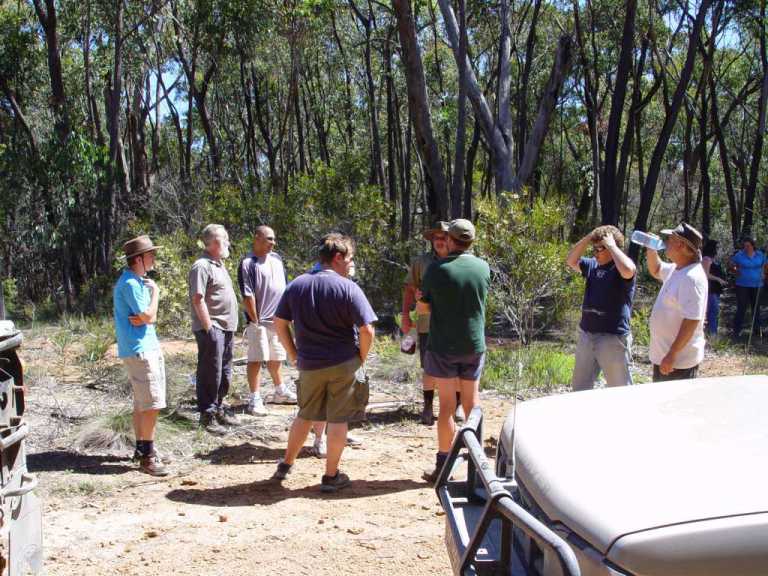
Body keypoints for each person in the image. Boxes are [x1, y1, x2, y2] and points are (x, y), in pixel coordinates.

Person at [272, 233, 377, 493]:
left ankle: (285, 465)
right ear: (338, 257)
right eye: (349, 259)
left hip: (309, 364)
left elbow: (279, 323)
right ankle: (331, 476)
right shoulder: (348, 287)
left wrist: (294, 353)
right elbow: (367, 329)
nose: (351, 264)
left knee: (305, 414)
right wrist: (361, 357)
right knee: (338, 419)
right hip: (343, 362)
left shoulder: (297, 285)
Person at [419, 219, 490, 483]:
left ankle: (443, 466)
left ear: (450, 239)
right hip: (473, 345)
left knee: (447, 406)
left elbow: (423, 307)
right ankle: (478, 466)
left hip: (443, 347)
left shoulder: (437, 269)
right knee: (472, 404)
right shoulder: (483, 267)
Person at [113, 235, 168, 476]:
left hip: (144, 347)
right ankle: (148, 456)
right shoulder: (132, 284)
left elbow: (145, 318)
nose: (153, 258)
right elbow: (148, 316)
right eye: (150, 254)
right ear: (138, 259)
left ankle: (141, 448)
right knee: (152, 404)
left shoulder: (136, 282)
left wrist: (146, 316)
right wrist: (156, 293)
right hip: (140, 350)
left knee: (142, 403)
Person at [565, 225, 636, 391]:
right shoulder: (592, 265)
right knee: (579, 390)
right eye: (594, 249)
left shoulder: (620, 267)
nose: (595, 253)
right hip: (587, 335)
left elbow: (629, 270)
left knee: (620, 390)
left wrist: (611, 246)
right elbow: (571, 260)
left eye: (600, 249)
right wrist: (588, 237)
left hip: (613, 337)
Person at [237, 226, 296, 416]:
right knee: (256, 358)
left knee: (276, 356)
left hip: (278, 320)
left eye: (274, 239)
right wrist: (255, 321)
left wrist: (287, 315)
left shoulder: (277, 259)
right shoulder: (248, 263)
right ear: (257, 238)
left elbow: (284, 287)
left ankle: (280, 390)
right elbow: (247, 294)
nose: (273, 242)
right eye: (269, 238)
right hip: (259, 322)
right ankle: (254, 398)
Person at [189, 224, 240, 434]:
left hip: (226, 328)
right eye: (224, 238)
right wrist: (209, 328)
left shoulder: (219, 264)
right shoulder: (201, 266)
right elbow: (197, 298)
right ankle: (207, 415)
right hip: (212, 327)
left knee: (224, 372)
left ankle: (218, 408)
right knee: (211, 372)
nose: (227, 242)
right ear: (213, 242)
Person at [401, 221, 450, 425]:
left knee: (454, 366)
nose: (439, 241)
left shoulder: (460, 260)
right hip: (427, 323)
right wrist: (405, 315)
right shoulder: (421, 262)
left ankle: (455, 407)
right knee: (429, 366)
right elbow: (409, 288)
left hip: (454, 324)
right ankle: (428, 407)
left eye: (443, 237)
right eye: (436, 238)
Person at [647, 222, 707, 382]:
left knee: (676, 399)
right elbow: (656, 269)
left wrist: (672, 354)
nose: (666, 242)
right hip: (665, 357)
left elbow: (692, 320)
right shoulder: (677, 268)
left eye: (670, 239)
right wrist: (651, 249)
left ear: (681, 245)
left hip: (678, 363)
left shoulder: (692, 278)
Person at [729, 237, 767, 339]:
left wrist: (764, 274)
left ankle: (757, 330)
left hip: (757, 285)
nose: (746, 248)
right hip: (742, 285)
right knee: (741, 307)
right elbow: (731, 264)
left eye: (748, 246)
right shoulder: (739, 255)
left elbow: (765, 265)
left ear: (753, 245)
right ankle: (736, 331)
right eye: (745, 246)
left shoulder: (760, 254)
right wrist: (735, 270)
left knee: (756, 308)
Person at [702, 239, 727, 337]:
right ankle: (712, 335)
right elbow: (706, 274)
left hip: (715, 289)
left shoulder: (713, 259)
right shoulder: (706, 259)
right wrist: (718, 279)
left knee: (714, 312)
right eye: (717, 247)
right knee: (713, 311)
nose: (719, 249)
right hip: (710, 289)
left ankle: (712, 333)